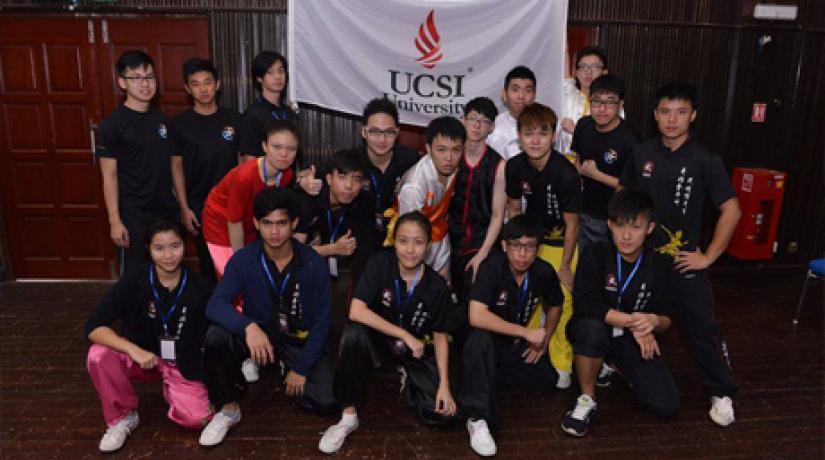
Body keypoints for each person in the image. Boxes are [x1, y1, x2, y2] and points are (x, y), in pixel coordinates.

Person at [619, 82, 741, 427]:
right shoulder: (642, 153)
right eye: (665, 111)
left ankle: (722, 391)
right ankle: (621, 368)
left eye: (681, 111)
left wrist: (709, 257)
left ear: (693, 115)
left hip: (685, 261)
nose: (672, 119)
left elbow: (731, 210)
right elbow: (624, 197)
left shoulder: (706, 160)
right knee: (628, 319)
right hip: (644, 260)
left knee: (702, 328)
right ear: (655, 115)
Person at [200, 188, 335, 447]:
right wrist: (248, 326)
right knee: (216, 336)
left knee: (326, 400)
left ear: (294, 224)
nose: (274, 232)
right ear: (256, 224)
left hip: (297, 339)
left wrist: (301, 367)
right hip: (260, 334)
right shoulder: (244, 260)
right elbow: (215, 304)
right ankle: (228, 408)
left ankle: (284, 366)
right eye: (267, 223)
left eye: (282, 223)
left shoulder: (312, 262)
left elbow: (323, 320)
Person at [318, 211, 459, 455]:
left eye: (418, 242)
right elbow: (356, 310)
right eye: (403, 241)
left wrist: (444, 385)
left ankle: (411, 386)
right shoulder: (379, 264)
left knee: (441, 414)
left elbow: (440, 336)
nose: (410, 250)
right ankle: (348, 416)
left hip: (415, 352)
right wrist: (403, 334)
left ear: (427, 247)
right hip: (382, 342)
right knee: (353, 335)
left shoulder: (436, 285)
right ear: (394, 241)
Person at [84, 219, 212, 452]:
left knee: (196, 419)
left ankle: (174, 389)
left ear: (185, 246)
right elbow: (93, 327)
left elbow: (212, 340)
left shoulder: (200, 286)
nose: (168, 255)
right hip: (140, 358)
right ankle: (122, 417)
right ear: (148, 249)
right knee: (99, 355)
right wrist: (132, 349)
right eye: (159, 248)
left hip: (182, 362)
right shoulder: (135, 280)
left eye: (175, 246)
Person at [561, 189, 678, 437]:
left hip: (631, 339)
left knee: (666, 404)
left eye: (635, 227)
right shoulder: (595, 254)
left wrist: (653, 321)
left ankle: (613, 363)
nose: (626, 235)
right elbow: (585, 303)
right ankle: (586, 398)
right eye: (619, 226)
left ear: (649, 228)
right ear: (609, 225)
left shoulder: (659, 264)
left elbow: (668, 318)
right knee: (589, 328)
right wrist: (634, 322)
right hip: (601, 329)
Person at [458, 215, 563, 457]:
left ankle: (480, 380)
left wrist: (544, 340)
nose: (522, 254)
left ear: (538, 249)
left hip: (513, 346)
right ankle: (477, 418)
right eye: (516, 246)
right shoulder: (492, 267)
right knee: (479, 340)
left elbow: (555, 304)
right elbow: (476, 316)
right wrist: (526, 332)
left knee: (548, 380)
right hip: (484, 341)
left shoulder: (543, 272)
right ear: (505, 246)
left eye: (529, 247)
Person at [505, 103, 581, 389]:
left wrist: (565, 266)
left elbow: (573, 225)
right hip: (532, 241)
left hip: (562, 244)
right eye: (528, 133)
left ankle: (561, 361)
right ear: (519, 136)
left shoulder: (566, 174)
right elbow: (514, 210)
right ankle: (531, 346)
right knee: (527, 296)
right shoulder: (514, 167)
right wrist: (515, 248)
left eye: (543, 133)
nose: (535, 140)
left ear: (553, 136)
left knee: (561, 301)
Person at [97, 50, 179, 272]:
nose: (145, 84)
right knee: (134, 278)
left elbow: (171, 167)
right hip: (133, 214)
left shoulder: (161, 120)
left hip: (164, 210)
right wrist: (115, 221)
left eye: (150, 77)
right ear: (122, 83)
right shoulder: (112, 126)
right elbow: (109, 176)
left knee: (167, 271)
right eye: (136, 78)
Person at [201, 120, 308, 278]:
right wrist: (240, 260)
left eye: (291, 149)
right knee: (234, 277)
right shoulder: (245, 177)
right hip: (222, 225)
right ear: (265, 146)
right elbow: (234, 221)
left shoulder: (286, 175)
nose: (284, 154)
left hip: (250, 224)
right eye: (277, 147)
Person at [170, 57, 241, 286]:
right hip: (200, 206)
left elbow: (242, 164)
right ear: (187, 89)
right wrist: (184, 207)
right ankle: (214, 314)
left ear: (217, 84)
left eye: (208, 82)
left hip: (232, 204)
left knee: (237, 261)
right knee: (209, 264)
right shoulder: (179, 124)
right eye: (196, 84)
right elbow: (176, 167)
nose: (203, 89)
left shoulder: (234, 119)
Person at [571, 74, 639, 252]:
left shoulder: (630, 141)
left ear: (621, 105)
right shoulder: (583, 125)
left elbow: (630, 188)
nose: (602, 108)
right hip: (582, 211)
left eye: (610, 102)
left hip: (612, 218)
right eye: (596, 101)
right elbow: (578, 160)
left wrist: (596, 175)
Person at [448, 97, 506, 303]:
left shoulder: (498, 165)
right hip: (448, 240)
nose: (477, 125)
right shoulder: (450, 157)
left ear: (492, 127)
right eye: (472, 119)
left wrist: (483, 253)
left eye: (484, 121)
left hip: (481, 241)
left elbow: (498, 215)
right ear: (463, 120)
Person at [392, 116, 465, 279]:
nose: (449, 158)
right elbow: (407, 234)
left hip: (440, 237)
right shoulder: (414, 186)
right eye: (442, 150)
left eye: (456, 150)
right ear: (428, 148)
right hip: (415, 244)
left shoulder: (457, 169)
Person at [303, 149, 375, 283]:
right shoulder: (308, 201)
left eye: (356, 179)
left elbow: (366, 253)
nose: (349, 186)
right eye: (342, 177)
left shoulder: (362, 204)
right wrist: (333, 249)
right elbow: (289, 251)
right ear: (329, 179)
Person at [356, 98, 420, 243]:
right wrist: (302, 181)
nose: (382, 139)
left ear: (397, 133)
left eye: (389, 132)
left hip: (400, 239)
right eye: (374, 132)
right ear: (364, 132)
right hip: (359, 241)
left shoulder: (411, 160)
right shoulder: (351, 161)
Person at [557, 46, 613, 159]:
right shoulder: (569, 94)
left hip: (594, 168)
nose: (588, 72)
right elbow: (564, 51)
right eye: (583, 67)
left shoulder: (613, 105)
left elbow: (611, 143)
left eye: (595, 67)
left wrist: (576, 131)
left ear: (604, 73)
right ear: (576, 72)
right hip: (562, 167)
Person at [238, 51, 295, 160]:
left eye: (281, 71)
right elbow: (249, 160)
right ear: (259, 78)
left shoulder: (289, 113)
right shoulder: (252, 115)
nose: (278, 77)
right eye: (270, 72)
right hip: (264, 176)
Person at [486, 66, 536, 160]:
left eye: (527, 90)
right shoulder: (493, 128)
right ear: (504, 94)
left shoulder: (546, 125)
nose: (521, 96)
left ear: (534, 95)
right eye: (515, 90)